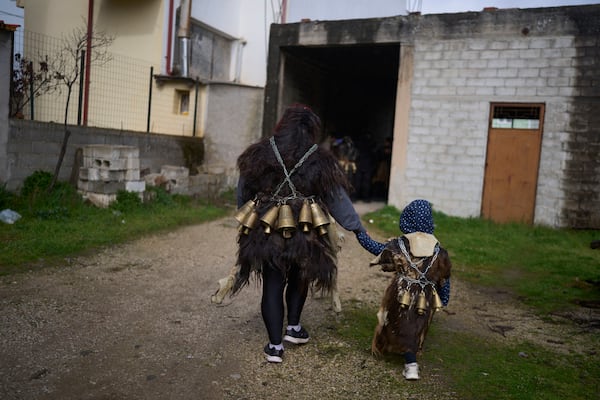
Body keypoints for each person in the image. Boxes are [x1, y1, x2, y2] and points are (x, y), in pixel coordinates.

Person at [231, 104, 371, 363]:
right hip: (306, 232)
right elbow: (337, 199)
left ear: (282, 125)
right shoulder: (320, 158)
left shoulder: (259, 152)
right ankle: (293, 328)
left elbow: (243, 191)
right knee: (299, 277)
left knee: (272, 284)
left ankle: (275, 347)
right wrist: (358, 230)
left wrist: (245, 214)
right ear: (310, 130)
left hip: (266, 230)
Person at [355, 199, 452, 380]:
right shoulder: (439, 251)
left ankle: (411, 364)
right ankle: (408, 359)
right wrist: (444, 298)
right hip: (426, 296)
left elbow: (376, 248)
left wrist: (361, 234)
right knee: (416, 324)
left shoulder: (399, 245)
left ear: (407, 219)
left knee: (398, 320)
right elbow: (444, 278)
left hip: (401, 292)